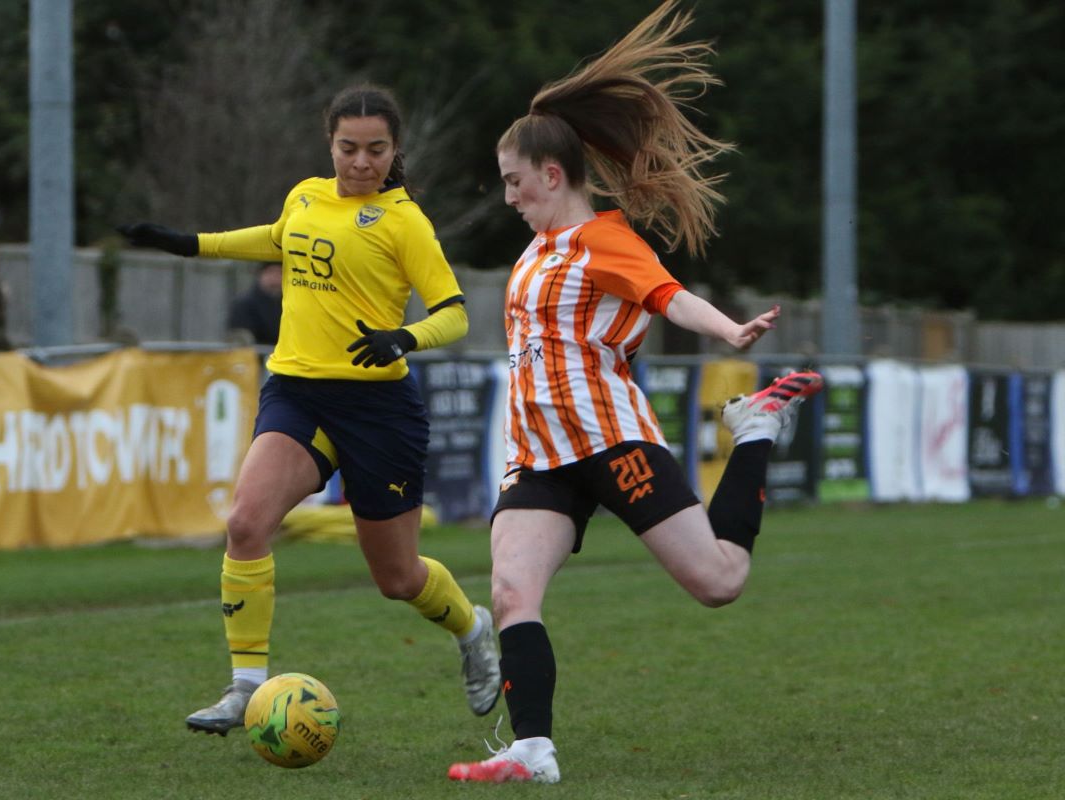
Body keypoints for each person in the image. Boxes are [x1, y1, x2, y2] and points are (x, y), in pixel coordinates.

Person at [447, 2, 823, 784]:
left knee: (719, 582)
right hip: (539, 458)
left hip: (612, 441)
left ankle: (753, 434)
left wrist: (728, 332)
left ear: (553, 175)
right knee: (513, 588)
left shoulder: (601, 241)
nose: (509, 197)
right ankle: (533, 750)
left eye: (516, 183)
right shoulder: (534, 253)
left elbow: (668, 296)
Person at [117, 83, 501, 735]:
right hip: (296, 391)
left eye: (375, 150)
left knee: (399, 577)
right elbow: (275, 238)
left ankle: (472, 629)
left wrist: (404, 338)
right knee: (244, 522)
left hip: (378, 408)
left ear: (393, 150)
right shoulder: (305, 194)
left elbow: (455, 312)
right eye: (348, 148)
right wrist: (190, 244)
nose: (360, 162)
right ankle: (245, 688)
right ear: (330, 144)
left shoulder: (404, 221)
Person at [227, 261, 283, 345]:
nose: (275, 279)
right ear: (260, 275)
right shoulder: (244, 304)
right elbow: (241, 339)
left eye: (280, 273)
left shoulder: (289, 304)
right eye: (271, 272)